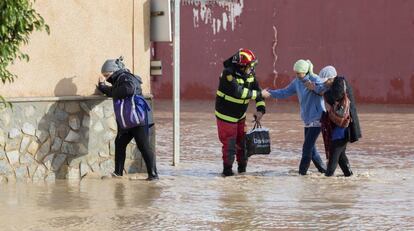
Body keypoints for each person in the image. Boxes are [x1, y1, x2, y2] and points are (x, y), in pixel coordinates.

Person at [97, 56, 158, 181]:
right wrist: (102, 87)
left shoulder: (126, 77)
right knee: (120, 144)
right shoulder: (120, 79)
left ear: (114, 71)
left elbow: (127, 90)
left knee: (144, 146)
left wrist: (106, 87)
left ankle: (153, 175)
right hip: (128, 121)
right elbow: (115, 91)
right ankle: (118, 173)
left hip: (137, 119)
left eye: (107, 75)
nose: (107, 78)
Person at [261, 59, 327, 175]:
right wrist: (270, 93)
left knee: (306, 148)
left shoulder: (315, 79)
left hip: (318, 119)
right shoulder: (297, 81)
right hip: (307, 119)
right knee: (311, 149)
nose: (296, 75)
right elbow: (284, 92)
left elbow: (325, 90)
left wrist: (314, 87)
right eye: (295, 72)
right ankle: (325, 172)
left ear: (305, 71)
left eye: (298, 73)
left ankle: (302, 174)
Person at [215, 48, 266, 176]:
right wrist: (259, 93)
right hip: (226, 116)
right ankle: (227, 173)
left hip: (240, 116)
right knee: (230, 145)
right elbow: (239, 93)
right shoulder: (228, 75)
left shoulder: (249, 75)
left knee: (243, 145)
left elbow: (258, 92)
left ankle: (242, 172)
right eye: (250, 65)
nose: (252, 68)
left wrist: (260, 110)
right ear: (242, 66)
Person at [318, 66, 361, 177]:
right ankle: (349, 176)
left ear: (332, 78)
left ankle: (328, 177)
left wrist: (324, 94)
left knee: (334, 152)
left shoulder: (340, 83)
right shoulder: (337, 84)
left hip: (344, 126)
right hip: (341, 124)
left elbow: (334, 97)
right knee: (340, 154)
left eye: (326, 81)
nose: (325, 84)